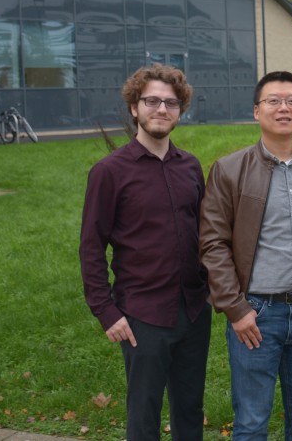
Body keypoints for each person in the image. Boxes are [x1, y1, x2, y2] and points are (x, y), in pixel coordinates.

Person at [199, 71, 292, 440]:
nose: (283, 108)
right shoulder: (229, 170)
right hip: (256, 317)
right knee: (251, 423)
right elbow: (213, 244)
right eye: (273, 101)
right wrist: (236, 309)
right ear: (256, 111)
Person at [79, 64, 211, 441]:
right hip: (142, 317)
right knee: (144, 415)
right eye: (151, 100)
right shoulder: (109, 172)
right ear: (134, 108)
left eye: (171, 103)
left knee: (190, 409)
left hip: (193, 310)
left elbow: (203, 234)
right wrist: (106, 311)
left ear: (180, 111)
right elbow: (91, 247)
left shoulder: (190, 167)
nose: (161, 109)